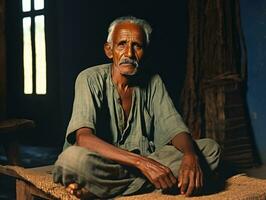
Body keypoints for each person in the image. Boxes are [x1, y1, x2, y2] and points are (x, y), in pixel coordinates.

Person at [53, 16, 221, 199]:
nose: (129, 54)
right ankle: (151, 184)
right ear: (109, 50)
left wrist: (190, 156)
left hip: (144, 163)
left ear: (145, 52)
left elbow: (175, 128)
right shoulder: (89, 78)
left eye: (137, 46)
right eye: (122, 44)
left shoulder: (153, 81)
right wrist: (142, 164)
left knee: (209, 149)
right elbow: (83, 138)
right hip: (105, 163)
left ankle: (100, 190)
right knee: (71, 160)